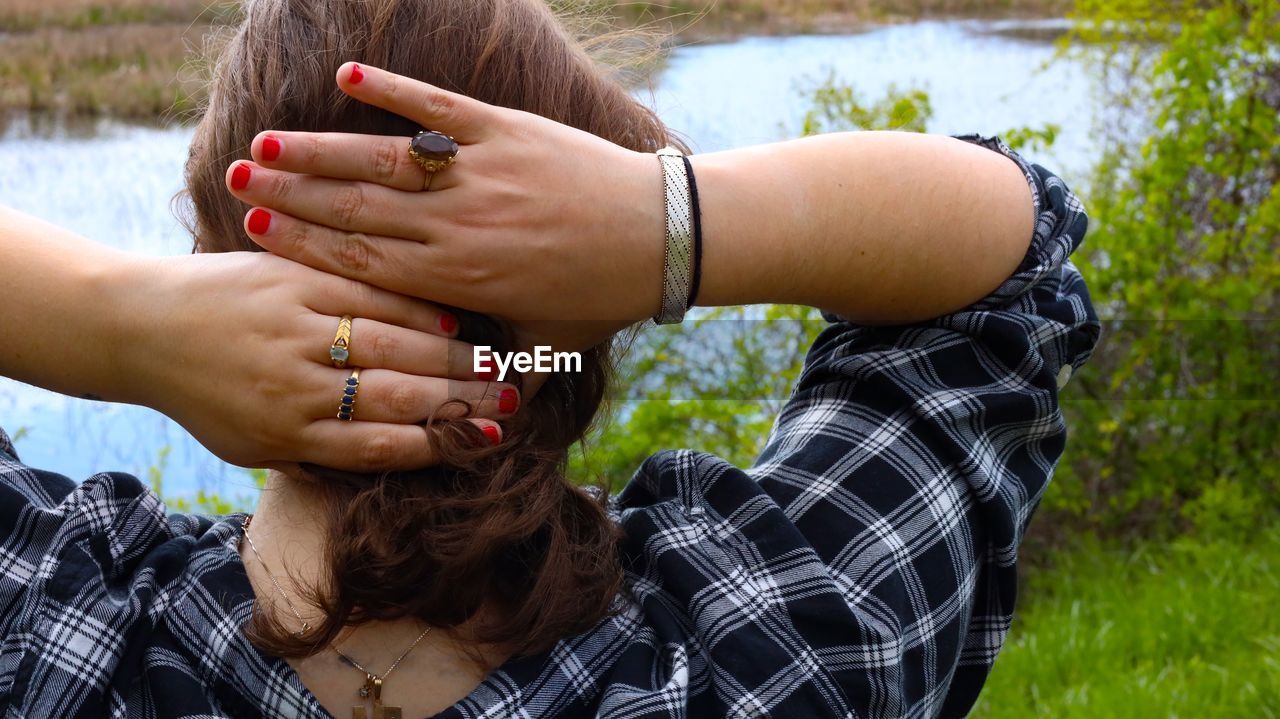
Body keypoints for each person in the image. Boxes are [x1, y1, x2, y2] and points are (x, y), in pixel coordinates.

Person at [0, 0, 1100, 716]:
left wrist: (122, 325)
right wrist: (663, 224)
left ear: (211, 261)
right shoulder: (775, 645)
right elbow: (1013, 266)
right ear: (588, 321)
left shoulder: (61, 639)